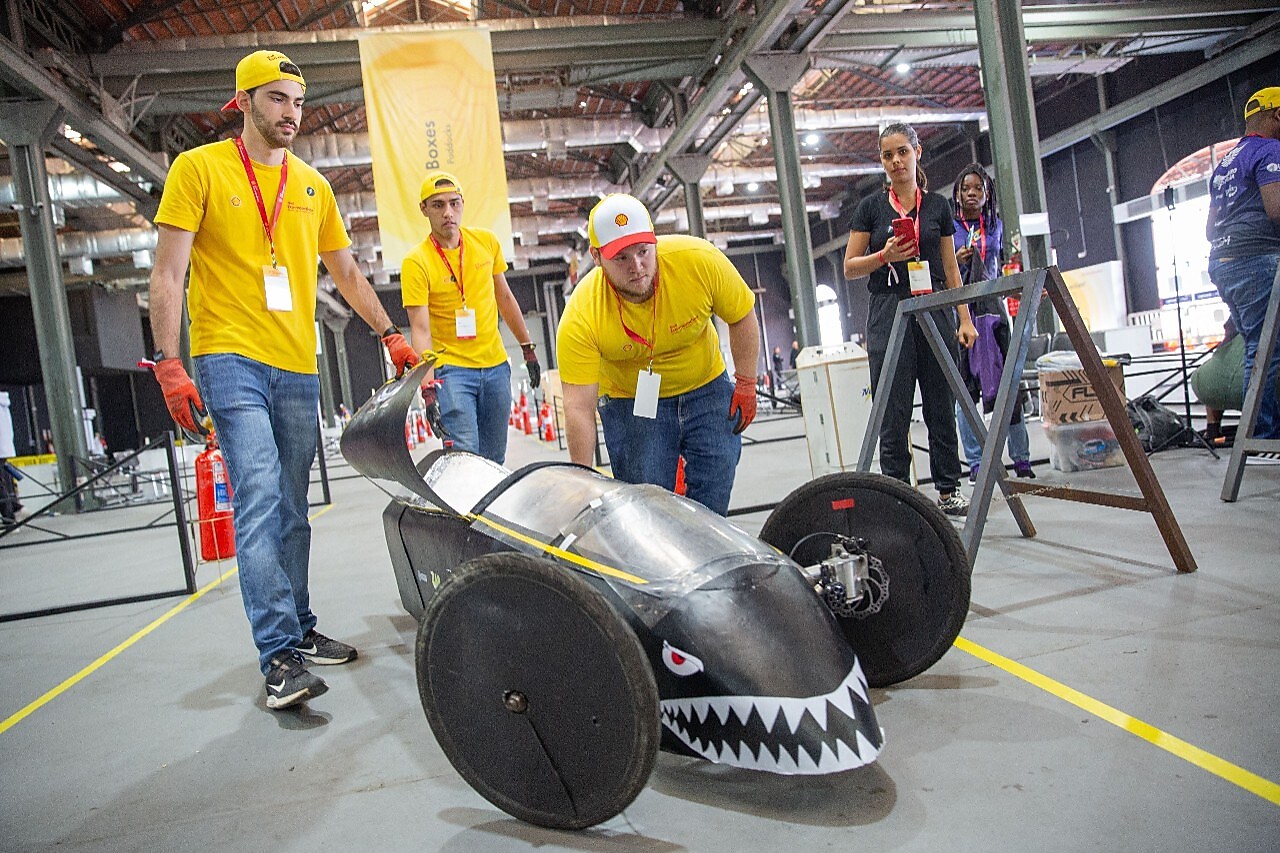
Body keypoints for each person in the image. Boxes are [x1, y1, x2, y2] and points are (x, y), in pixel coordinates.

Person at [148, 50, 420, 710]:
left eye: (297, 101)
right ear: (241, 102)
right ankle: (276, 656)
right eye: (275, 99)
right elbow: (167, 273)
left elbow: (348, 274)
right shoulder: (199, 169)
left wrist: (389, 333)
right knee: (261, 491)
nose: (290, 113)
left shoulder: (311, 186)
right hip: (227, 356)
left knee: (294, 506)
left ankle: (298, 626)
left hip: (299, 363)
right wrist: (168, 360)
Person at [556, 193, 760, 516]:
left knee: (716, 481)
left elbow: (742, 315)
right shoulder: (581, 314)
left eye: (643, 252)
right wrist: (582, 480)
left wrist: (747, 382)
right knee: (647, 505)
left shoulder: (698, 261)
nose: (637, 267)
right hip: (632, 401)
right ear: (596, 257)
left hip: (705, 386)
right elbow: (578, 407)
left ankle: (704, 552)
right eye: (621, 259)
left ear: (654, 241)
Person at [843, 122, 978, 516]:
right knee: (892, 409)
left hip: (934, 308)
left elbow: (951, 268)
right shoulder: (870, 208)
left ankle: (949, 489)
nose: (896, 161)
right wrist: (884, 256)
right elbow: (851, 267)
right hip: (889, 311)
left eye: (902, 151)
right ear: (881, 161)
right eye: (888, 155)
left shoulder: (937, 206)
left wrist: (964, 318)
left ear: (917, 152)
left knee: (940, 403)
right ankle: (898, 495)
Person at [401, 171, 540, 462]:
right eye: (437, 205)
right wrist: (426, 389)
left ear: (463, 203)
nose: (448, 212)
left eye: (454, 203)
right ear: (423, 209)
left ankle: (485, 510)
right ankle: (464, 509)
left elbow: (505, 298)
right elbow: (420, 331)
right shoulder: (416, 262)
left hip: (496, 368)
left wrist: (528, 348)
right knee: (465, 461)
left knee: (494, 460)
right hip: (452, 373)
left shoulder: (486, 243)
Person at [950, 164, 1034, 482]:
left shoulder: (994, 225)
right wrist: (956, 260)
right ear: (957, 194)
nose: (972, 194)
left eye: (978, 189)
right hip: (963, 314)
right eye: (966, 188)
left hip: (995, 313)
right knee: (965, 391)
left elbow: (996, 262)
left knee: (1009, 385)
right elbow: (941, 268)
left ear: (987, 195)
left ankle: (1021, 459)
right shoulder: (950, 228)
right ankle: (975, 463)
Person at [1207, 87, 1280, 440]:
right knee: (1267, 347)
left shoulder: (1225, 162)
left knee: (1257, 342)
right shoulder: (1271, 151)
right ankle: (1264, 433)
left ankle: (1261, 429)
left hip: (1223, 261)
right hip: (1257, 261)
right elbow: (1277, 209)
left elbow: (1209, 228)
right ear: (1276, 116)